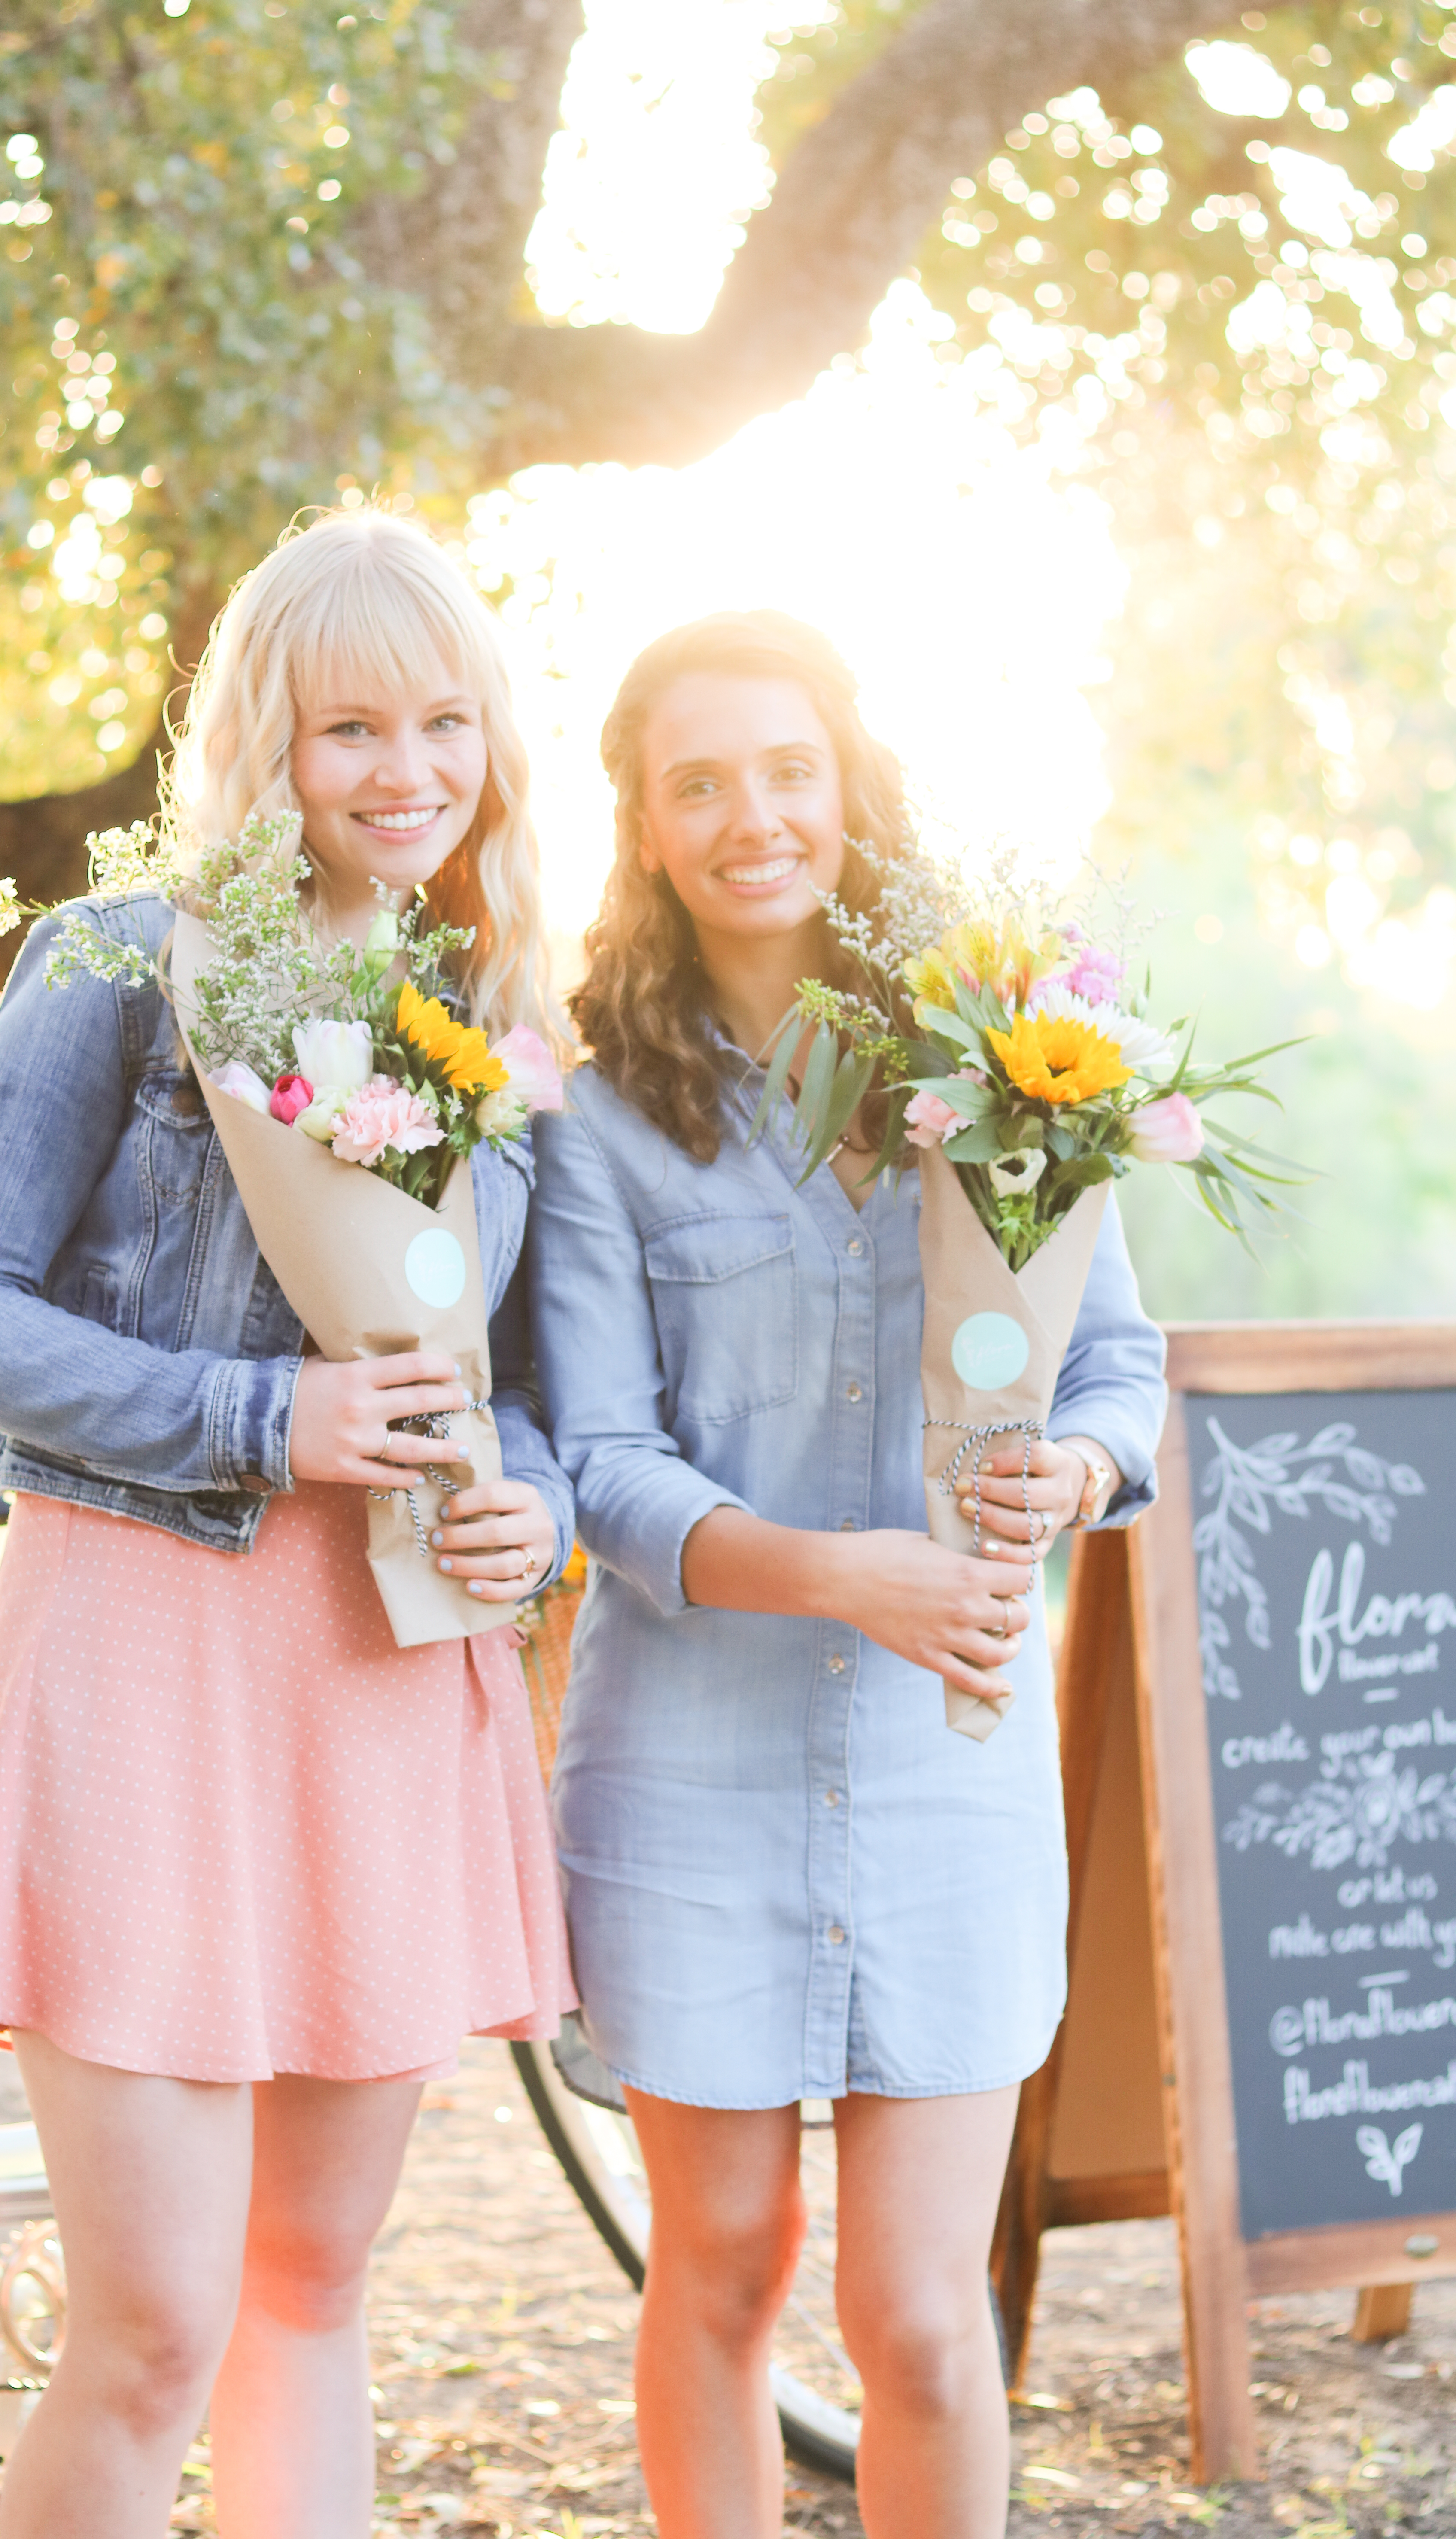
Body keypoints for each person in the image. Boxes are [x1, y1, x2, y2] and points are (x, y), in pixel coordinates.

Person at [0, 509, 578, 2539]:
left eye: (444, 723)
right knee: (155, 2324)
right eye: (348, 725)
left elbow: (495, 1379)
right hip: (146, 1656)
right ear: (260, 737)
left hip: (377, 1677)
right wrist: (267, 1417)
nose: (405, 772)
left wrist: (515, 1516)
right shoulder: (114, 962)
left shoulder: (483, 1012)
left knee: (311, 2293)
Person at [529, 611, 1167, 2539]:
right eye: (700, 783)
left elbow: (1122, 1368)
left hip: (945, 1778)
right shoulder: (593, 1113)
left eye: (785, 771)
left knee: (914, 2311)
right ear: (641, 825)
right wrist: (836, 1576)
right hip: (686, 1781)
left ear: (846, 787)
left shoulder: (1008, 1063)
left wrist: (1072, 1464)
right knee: (713, 2274)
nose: (752, 818)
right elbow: (598, 1468)